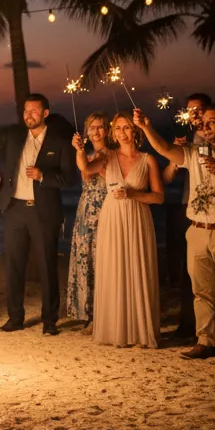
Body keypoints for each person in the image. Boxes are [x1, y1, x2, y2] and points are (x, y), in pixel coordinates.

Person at [136, 104, 215, 362]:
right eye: (203, 122)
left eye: (213, 122)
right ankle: (206, 340)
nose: (205, 127)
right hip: (196, 230)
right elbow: (163, 149)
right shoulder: (196, 151)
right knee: (201, 291)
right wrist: (145, 127)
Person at [0, 94, 78, 335]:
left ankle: (49, 321)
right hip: (15, 209)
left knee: (47, 266)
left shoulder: (60, 141)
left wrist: (44, 176)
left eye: (34, 111)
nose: (29, 115)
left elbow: (69, 178)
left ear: (45, 113)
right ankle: (15, 318)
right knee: (13, 265)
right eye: (26, 111)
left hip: (44, 212)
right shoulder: (14, 134)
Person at [77, 113, 163, 348]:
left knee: (137, 267)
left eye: (126, 128)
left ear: (135, 132)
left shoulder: (148, 160)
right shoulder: (108, 157)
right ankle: (116, 330)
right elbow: (85, 167)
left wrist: (134, 194)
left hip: (137, 217)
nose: (122, 132)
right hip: (112, 217)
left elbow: (158, 196)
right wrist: (78, 149)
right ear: (113, 132)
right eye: (117, 129)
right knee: (114, 267)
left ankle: (139, 330)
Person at [161, 93, 210, 335]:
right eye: (191, 111)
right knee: (186, 269)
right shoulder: (189, 141)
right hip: (186, 207)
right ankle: (188, 324)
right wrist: (174, 157)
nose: (195, 115)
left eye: (199, 109)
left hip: (214, 212)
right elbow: (167, 178)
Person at [66, 112, 111, 326]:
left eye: (100, 127)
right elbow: (84, 170)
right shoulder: (90, 153)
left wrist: (79, 150)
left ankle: (102, 315)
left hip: (105, 209)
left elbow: (85, 169)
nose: (95, 131)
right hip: (86, 210)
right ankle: (89, 314)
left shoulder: (108, 154)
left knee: (101, 262)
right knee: (86, 260)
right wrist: (80, 151)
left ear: (107, 130)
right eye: (91, 127)